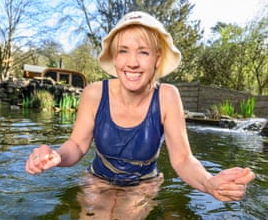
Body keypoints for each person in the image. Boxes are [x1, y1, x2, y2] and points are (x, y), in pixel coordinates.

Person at [25, 11, 255, 201]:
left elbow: (183, 159)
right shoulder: (94, 93)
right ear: (114, 58)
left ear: (156, 59)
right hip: (97, 180)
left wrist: (209, 182)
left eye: (143, 52)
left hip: (142, 185)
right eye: (123, 51)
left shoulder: (167, 97)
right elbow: (76, 145)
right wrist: (55, 156)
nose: (132, 62)